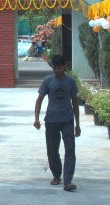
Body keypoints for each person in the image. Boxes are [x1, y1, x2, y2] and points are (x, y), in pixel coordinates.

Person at [33, 54, 81, 191]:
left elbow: (75, 102)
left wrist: (77, 124)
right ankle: (56, 175)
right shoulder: (48, 81)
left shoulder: (70, 81)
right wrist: (36, 118)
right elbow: (39, 100)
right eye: (54, 68)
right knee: (52, 150)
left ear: (65, 67)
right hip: (51, 120)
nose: (56, 71)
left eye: (59, 68)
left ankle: (68, 181)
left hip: (67, 120)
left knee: (70, 149)